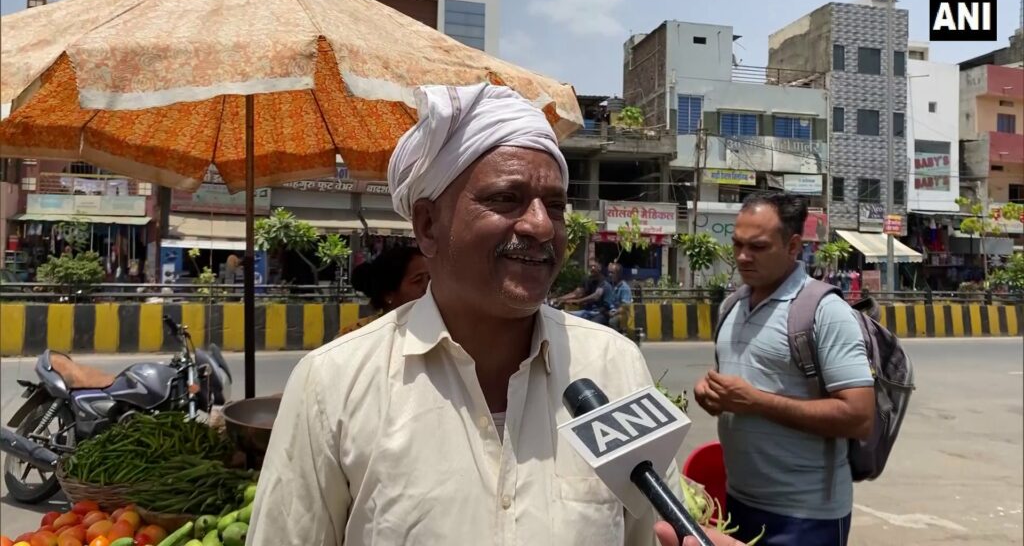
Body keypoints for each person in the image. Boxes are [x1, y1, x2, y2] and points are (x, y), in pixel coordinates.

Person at [247, 83, 736, 546]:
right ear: (427, 225)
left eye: (557, 205)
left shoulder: (615, 365)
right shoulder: (332, 385)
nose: (542, 226)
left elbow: (654, 533)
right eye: (506, 198)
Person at [693, 192, 875, 546]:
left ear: (793, 246)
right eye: (738, 245)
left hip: (805, 518)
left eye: (758, 247)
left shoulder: (825, 312)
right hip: (737, 503)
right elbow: (744, 383)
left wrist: (756, 402)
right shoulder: (731, 306)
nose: (743, 257)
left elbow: (858, 416)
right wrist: (711, 391)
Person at [337, 244, 430, 337]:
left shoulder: (436, 332)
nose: (429, 286)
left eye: (430, 278)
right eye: (418, 280)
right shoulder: (354, 337)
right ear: (388, 294)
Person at [606, 262, 634, 332]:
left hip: (621, 314)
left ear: (618, 274)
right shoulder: (610, 285)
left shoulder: (624, 288)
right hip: (611, 312)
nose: (610, 275)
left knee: (612, 322)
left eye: (612, 273)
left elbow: (625, 307)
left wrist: (614, 313)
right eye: (609, 272)